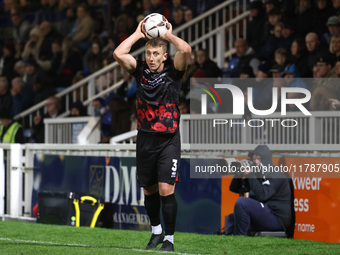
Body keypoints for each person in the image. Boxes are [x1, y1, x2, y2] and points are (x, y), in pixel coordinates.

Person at [113, 20, 191, 252]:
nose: (151, 57)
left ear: (165, 56)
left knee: (166, 189)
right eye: (148, 53)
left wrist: (167, 36)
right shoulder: (139, 70)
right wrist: (138, 33)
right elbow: (118, 53)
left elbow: (185, 50)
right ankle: (156, 231)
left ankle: (170, 239)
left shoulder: (174, 71)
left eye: (156, 53)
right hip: (145, 138)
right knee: (149, 189)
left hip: (168, 138)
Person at [225, 145, 295, 238]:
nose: (255, 162)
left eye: (258, 159)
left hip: (277, 220)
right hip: (265, 216)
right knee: (232, 218)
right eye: (254, 159)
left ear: (265, 159)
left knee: (242, 202)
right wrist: (238, 174)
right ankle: (229, 244)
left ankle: (239, 240)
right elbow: (234, 188)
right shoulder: (257, 174)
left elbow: (263, 196)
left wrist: (250, 174)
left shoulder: (276, 173)